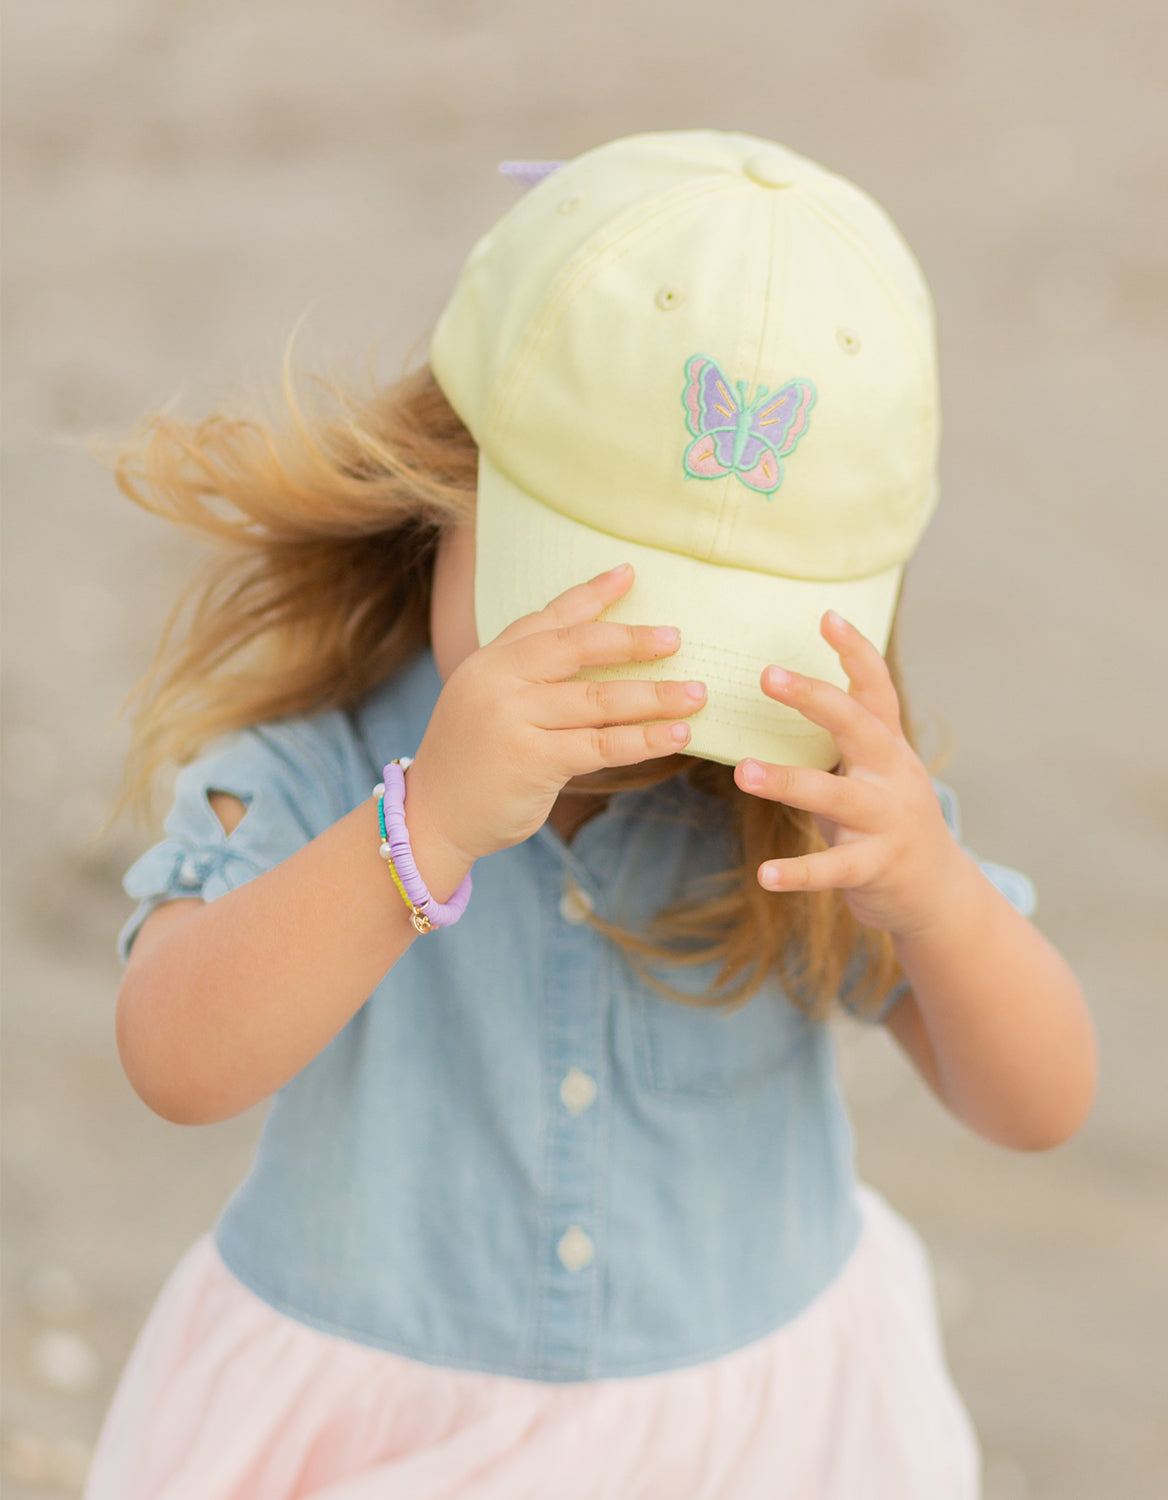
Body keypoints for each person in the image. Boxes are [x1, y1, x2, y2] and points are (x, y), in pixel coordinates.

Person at [85, 129, 1097, 1499]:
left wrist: (935, 896)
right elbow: (177, 1060)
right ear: (446, 483)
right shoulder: (321, 770)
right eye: (595, 604)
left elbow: (1040, 1104)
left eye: (708, 640)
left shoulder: (807, 808)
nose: (651, 685)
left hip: (757, 1443)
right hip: (383, 1433)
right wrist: (422, 829)